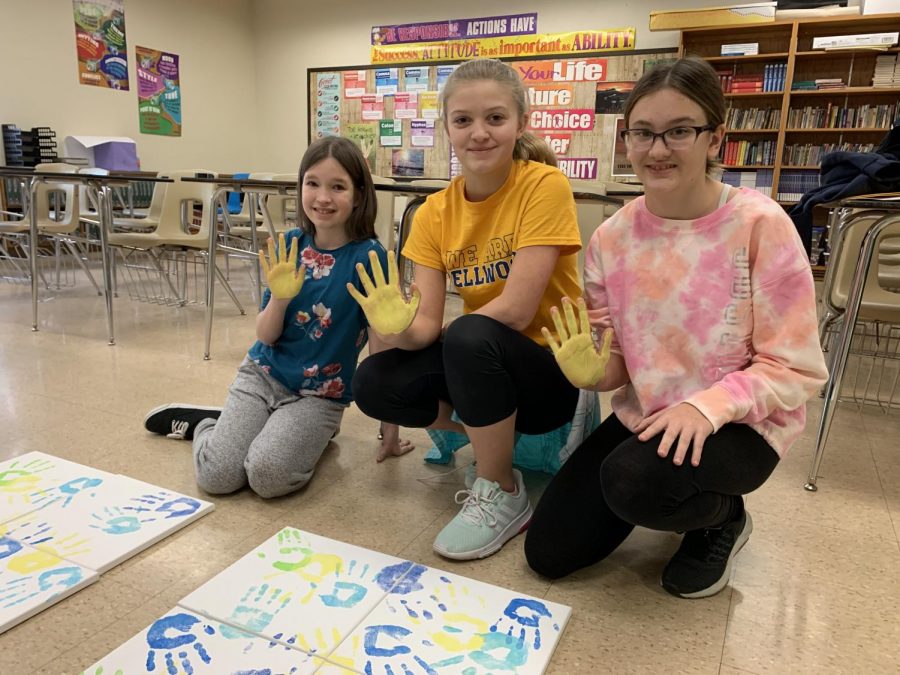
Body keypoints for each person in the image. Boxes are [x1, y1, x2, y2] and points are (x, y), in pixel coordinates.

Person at [525, 57, 829, 598]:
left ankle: (722, 519)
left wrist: (704, 407)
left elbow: (796, 368)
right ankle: (670, 488)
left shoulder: (762, 225)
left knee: (635, 483)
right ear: (627, 138)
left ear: (716, 138)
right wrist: (594, 371)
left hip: (742, 423)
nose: (658, 149)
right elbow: (616, 361)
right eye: (643, 133)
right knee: (549, 553)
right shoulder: (612, 238)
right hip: (650, 415)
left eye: (680, 131)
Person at [348, 58, 583, 561]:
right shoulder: (433, 213)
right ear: (446, 129)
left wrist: (448, 334)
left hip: (552, 371)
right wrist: (397, 327)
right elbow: (428, 328)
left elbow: (517, 311)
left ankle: (502, 489)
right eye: (463, 120)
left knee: (470, 335)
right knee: (372, 380)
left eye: (495, 119)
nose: (479, 133)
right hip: (481, 362)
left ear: (521, 123)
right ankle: (493, 438)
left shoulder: (543, 185)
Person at [143, 136, 411, 499]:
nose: (322, 198)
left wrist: (389, 430)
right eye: (312, 183)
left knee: (268, 476)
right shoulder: (291, 246)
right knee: (218, 477)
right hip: (263, 375)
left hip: (320, 396)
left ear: (360, 194)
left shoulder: (371, 258)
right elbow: (265, 336)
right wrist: (281, 300)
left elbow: (380, 350)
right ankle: (208, 423)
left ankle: (300, 432)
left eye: (338, 187)